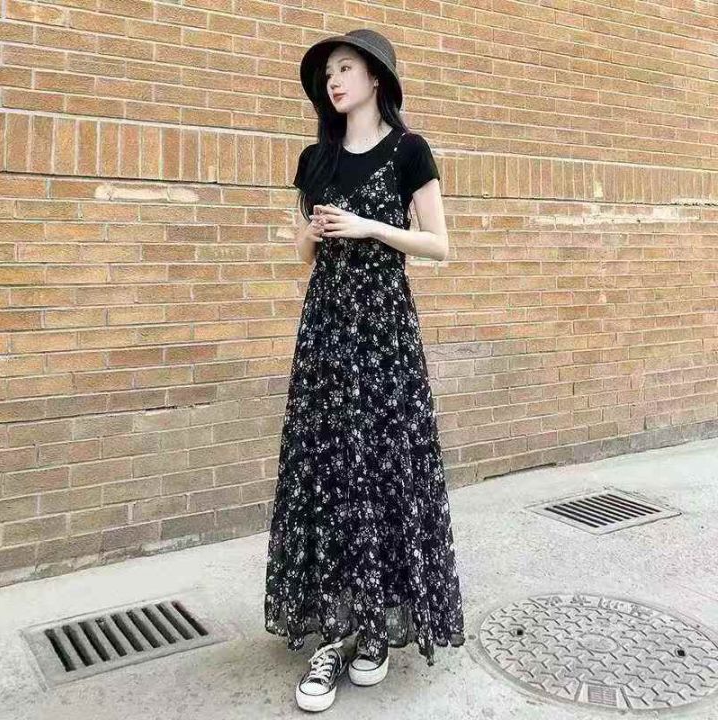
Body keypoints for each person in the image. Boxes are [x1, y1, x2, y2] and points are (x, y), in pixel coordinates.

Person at [263, 28, 465, 713]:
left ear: (376, 77)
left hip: (384, 338)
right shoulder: (315, 158)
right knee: (326, 471)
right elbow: (301, 256)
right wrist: (311, 233)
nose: (334, 80)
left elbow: (439, 245)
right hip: (326, 336)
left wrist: (370, 227)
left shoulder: (409, 151)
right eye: (328, 73)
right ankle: (334, 630)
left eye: (345, 68)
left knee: (381, 469)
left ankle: (375, 628)